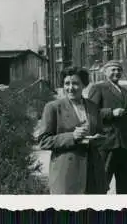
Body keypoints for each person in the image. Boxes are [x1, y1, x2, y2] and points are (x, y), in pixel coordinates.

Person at [38, 66, 107, 194]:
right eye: (67, 83)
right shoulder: (53, 107)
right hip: (67, 173)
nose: (70, 88)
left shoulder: (93, 107)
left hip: (93, 172)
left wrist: (98, 138)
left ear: (84, 85)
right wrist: (72, 137)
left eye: (75, 83)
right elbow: (43, 140)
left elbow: (101, 133)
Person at [88, 60, 127, 194]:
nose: (116, 72)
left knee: (126, 188)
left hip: (125, 145)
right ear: (105, 72)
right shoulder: (98, 88)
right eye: (113, 70)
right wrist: (111, 113)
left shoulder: (126, 92)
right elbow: (90, 113)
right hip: (107, 145)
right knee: (101, 185)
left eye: (119, 70)